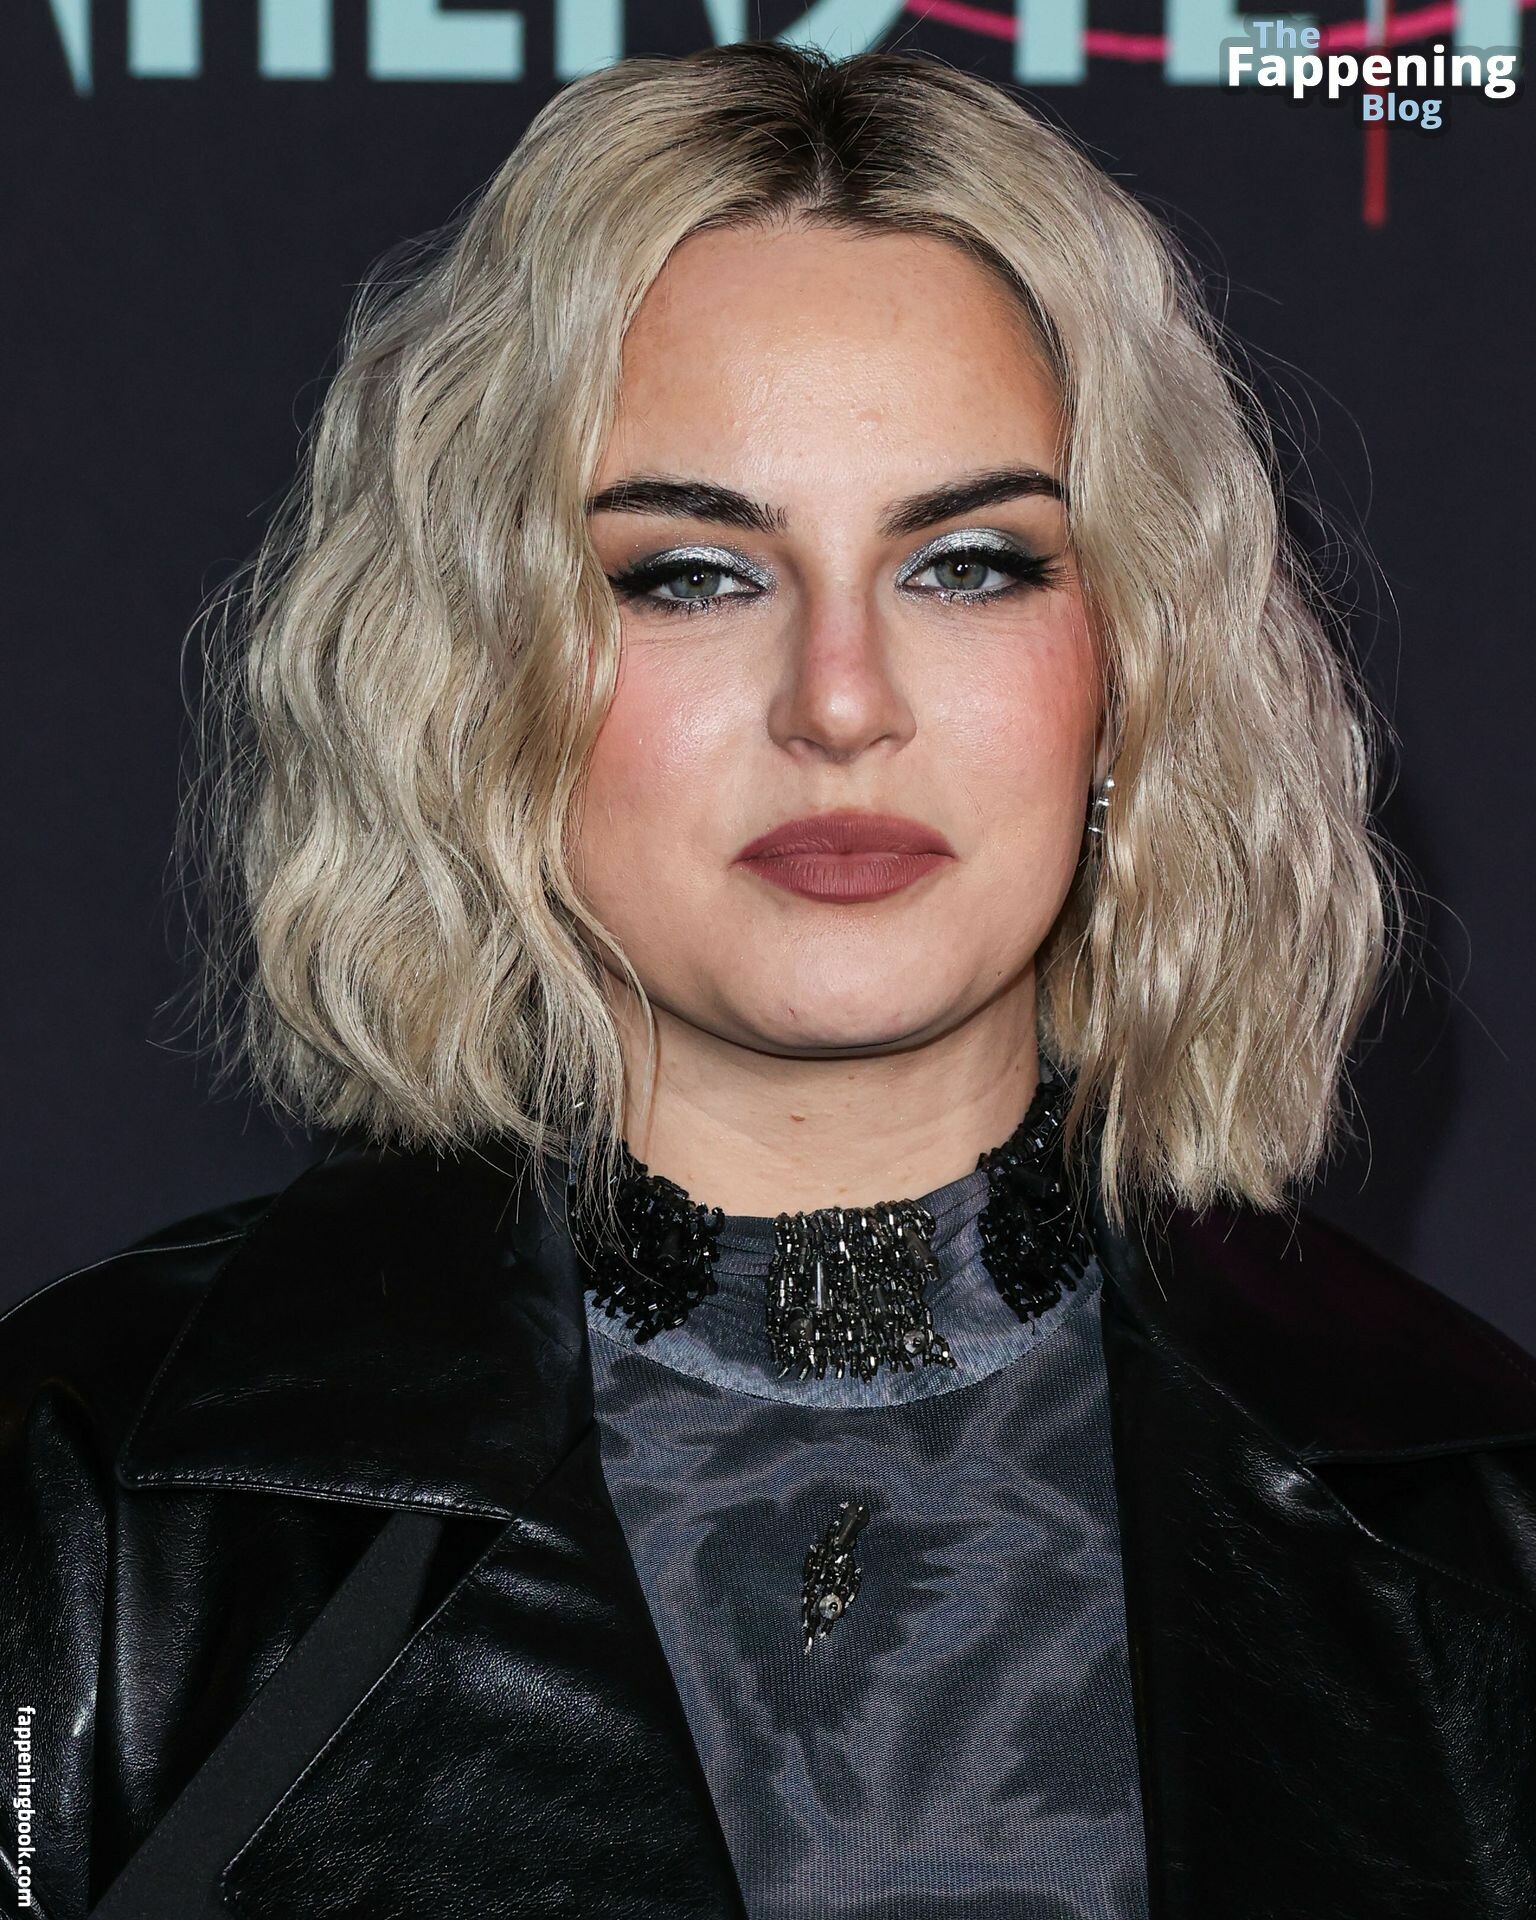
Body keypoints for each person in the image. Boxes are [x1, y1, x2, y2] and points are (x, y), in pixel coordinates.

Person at [3, 38, 1534, 1920]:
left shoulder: (1487, 1529)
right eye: (691, 574)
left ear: (1132, 671)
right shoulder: (91, 1510)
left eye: (968, 564)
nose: (841, 702)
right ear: (479, 683)